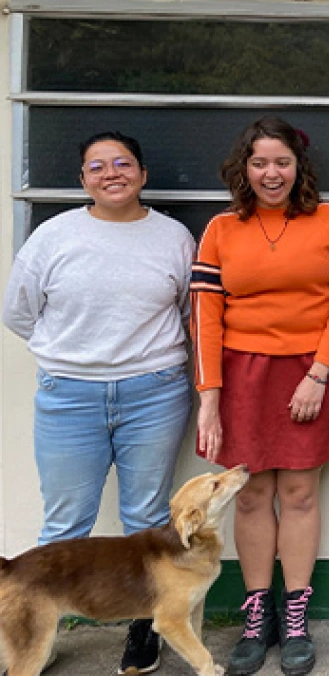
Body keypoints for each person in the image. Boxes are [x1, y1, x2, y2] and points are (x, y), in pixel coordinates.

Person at [2, 130, 196, 674]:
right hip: (69, 395)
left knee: (147, 519)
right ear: (82, 178)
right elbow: (18, 310)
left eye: (123, 162)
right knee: (65, 523)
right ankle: (35, 632)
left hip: (153, 392)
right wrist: (69, 354)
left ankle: (145, 628)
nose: (112, 173)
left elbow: (188, 312)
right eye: (97, 166)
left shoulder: (174, 236)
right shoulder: (54, 235)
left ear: (142, 173)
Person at [191, 116, 329, 676]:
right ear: (244, 168)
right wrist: (209, 397)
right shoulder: (221, 229)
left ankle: (295, 617)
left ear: (298, 167)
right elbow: (206, 315)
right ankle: (255, 614)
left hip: (310, 372)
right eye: (260, 163)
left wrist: (320, 372)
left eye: (282, 162)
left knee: (299, 493)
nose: (272, 173)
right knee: (248, 494)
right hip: (241, 373)